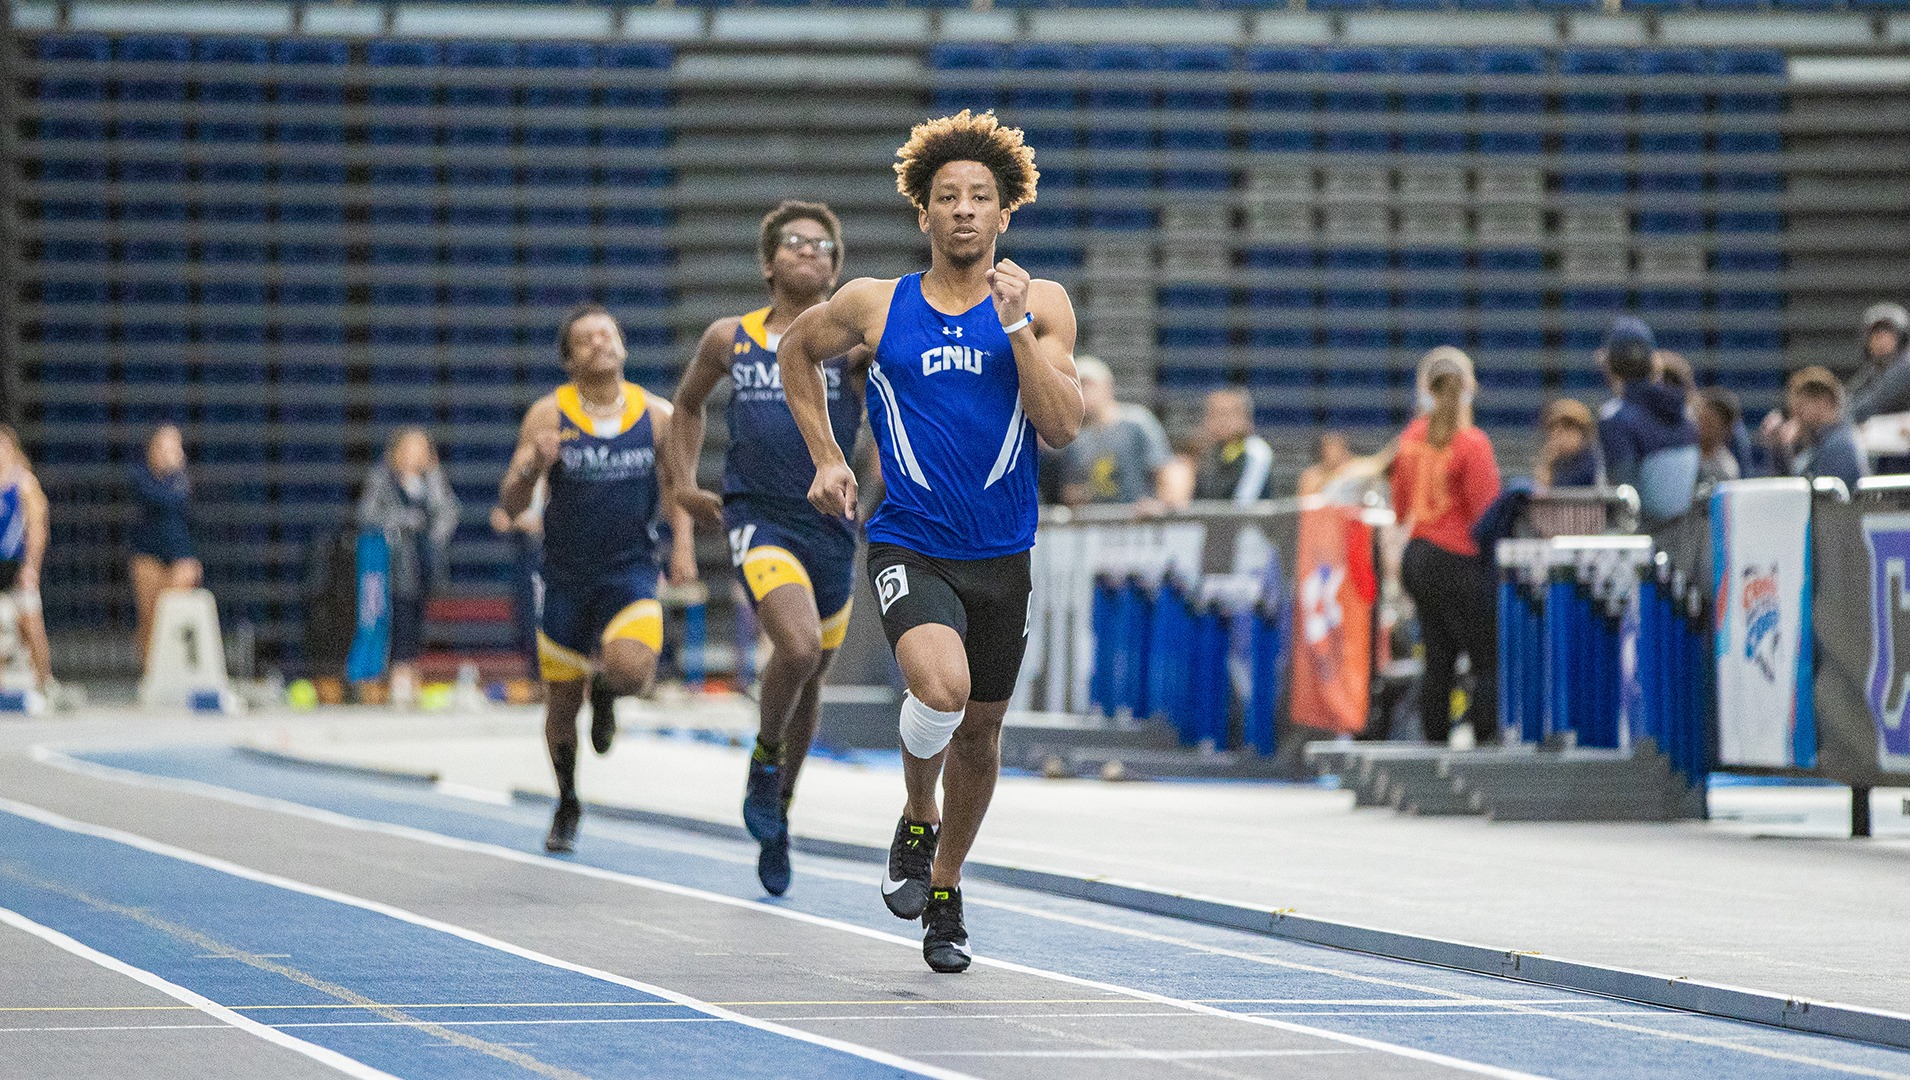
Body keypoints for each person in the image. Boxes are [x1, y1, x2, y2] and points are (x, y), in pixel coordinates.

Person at [778, 111, 1082, 973]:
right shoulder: (878, 303)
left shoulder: (1045, 303)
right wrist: (829, 458)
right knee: (939, 690)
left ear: (1003, 215)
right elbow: (796, 353)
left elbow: (1061, 427)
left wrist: (1017, 328)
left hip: (1002, 554)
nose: (962, 211)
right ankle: (919, 809)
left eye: (979, 198)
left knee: (982, 734)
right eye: (946, 196)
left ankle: (944, 885)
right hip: (910, 540)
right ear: (924, 214)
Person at [663, 200, 867, 896]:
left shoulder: (854, 343)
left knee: (810, 681)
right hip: (758, 518)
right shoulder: (731, 337)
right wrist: (685, 485)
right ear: (768, 261)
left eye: (822, 246)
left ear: (837, 268)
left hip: (833, 525)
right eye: (794, 243)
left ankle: (779, 812)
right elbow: (686, 406)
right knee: (800, 648)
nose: (808, 252)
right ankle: (764, 754)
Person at [501, 304, 686, 854]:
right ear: (568, 359)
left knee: (632, 669)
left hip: (630, 571)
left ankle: (606, 691)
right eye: (585, 339)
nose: (599, 343)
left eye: (608, 333)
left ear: (623, 346)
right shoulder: (546, 416)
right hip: (564, 578)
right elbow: (511, 505)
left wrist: (683, 549)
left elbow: (678, 486)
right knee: (560, 709)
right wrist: (534, 466)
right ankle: (567, 800)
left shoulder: (656, 416)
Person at [1389, 347, 1502, 746]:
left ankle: (1432, 742)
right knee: (1486, 658)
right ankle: (1487, 739)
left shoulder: (1409, 440)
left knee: (1438, 658)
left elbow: (1400, 506)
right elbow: (1486, 513)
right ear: (1469, 387)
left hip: (1417, 556)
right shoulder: (1472, 443)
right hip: (1456, 559)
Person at [356, 428, 460, 707]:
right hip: (392, 562)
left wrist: (435, 536)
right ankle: (394, 674)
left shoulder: (432, 480)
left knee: (416, 616)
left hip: (423, 561)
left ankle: (411, 671)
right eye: (410, 449)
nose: (416, 455)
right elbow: (366, 513)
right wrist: (402, 520)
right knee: (396, 616)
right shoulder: (383, 478)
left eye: (421, 449)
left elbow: (449, 511)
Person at [1595, 317, 1699, 526]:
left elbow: (1626, 504)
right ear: (1653, 362)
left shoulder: (1615, 418)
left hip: (1647, 544)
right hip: (1686, 540)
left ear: (1609, 365)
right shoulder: (1686, 413)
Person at [128, 424, 202, 663]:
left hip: (179, 554)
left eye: (172, 447)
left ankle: (176, 668)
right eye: (160, 446)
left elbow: (182, 509)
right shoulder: (140, 477)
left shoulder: (183, 480)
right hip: (148, 554)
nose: (166, 453)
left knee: (175, 615)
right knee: (149, 618)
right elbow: (159, 500)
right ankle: (150, 673)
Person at [1060, 357, 1169, 510]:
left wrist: (1160, 506)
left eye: (1089, 385)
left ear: (1108, 387)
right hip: (1100, 525)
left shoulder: (1137, 422)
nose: (1084, 392)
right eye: (1078, 386)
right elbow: (1071, 489)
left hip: (1139, 521)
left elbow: (1164, 469)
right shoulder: (1077, 438)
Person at [0, 427, 53, 694]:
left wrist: (31, 566)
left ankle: (45, 683)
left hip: (16, 565)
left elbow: (36, 529)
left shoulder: (25, 484)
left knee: (31, 624)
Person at [1770, 367, 1868, 492]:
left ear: (1823, 402)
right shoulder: (1822, 440)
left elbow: (1815, 500)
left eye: (1800, 408)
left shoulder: (1838, 446)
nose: (1795, 417)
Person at [1192, 388, 1273, 505]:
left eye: (1226, 414)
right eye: (1214, 413)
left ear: (1245, 418)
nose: (1221, 421)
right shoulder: (1206, 451)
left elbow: (1244, 503)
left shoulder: (1256, 451)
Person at [1845, 302, 1910, 423]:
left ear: (1902, 338)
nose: (1880, 339)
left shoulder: (1905, 366)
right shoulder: (1873, 369)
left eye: (1887, 332)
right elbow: (1849, 397)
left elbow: (1870, 405)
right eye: (1875, 333)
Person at [1534, 399, 1602, 490]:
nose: (1557, 437)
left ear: (1582, 433)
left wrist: (1547, 468)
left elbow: (1565, 488)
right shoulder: (1557, 460)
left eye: (1565, 430)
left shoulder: (1592, 460)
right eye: (1553, 430)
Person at [1696, 388, 1744, 487]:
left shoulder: (1726, 470)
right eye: (1701, 419)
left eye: (1709, 423)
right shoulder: (1686, 453)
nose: (1701, 426)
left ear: (1725, 430)